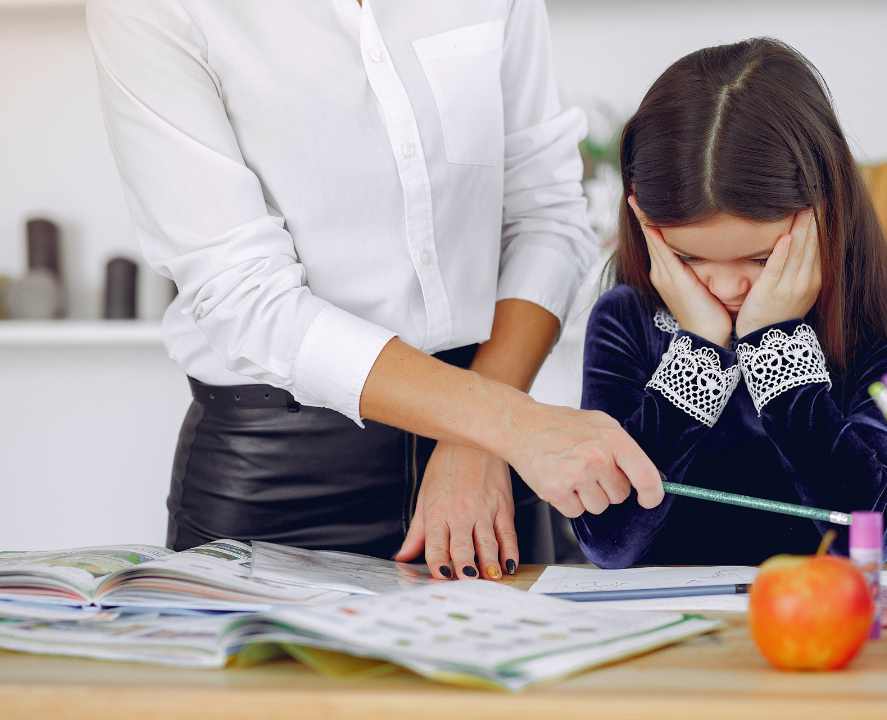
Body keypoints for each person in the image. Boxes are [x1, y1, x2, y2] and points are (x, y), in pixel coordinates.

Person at [86, 0, 663, 581]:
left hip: (491, 479)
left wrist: (479, 438)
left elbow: (547, 215)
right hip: (279, 486)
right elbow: (245, 297)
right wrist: (504, 424)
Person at [573, 39, 887, 568]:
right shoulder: (626, 321)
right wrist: (699, 353)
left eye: (759, 258)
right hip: (673, 619)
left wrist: (776, 345)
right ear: (645, 226)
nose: (727, 288)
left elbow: (870, 536)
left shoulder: (876, 326)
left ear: (824, 214)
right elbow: (606, 541)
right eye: (689, 258)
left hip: (828, 613)